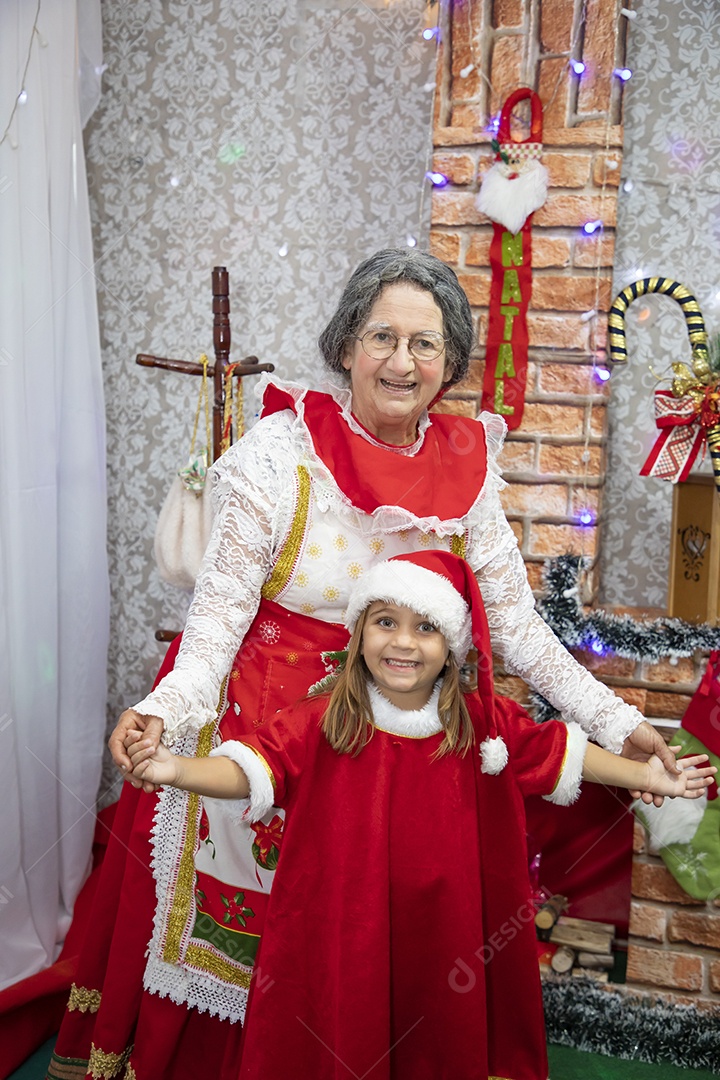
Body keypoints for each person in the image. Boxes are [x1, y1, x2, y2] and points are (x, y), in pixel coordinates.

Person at [48, 250, 677, 1080]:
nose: (402, 362)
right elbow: (215, 624)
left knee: (381, 959)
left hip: (411, 766)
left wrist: (623, 725)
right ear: (346, 345)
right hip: (273, 746)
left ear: (450, 363)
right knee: (272, 965)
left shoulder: (469, 463)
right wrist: (167, 705)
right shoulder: (279, 453)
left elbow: (519, 630)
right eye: (383, 336)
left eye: (425, 344)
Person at [124, 551, 715, 1080]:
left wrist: (646, 775)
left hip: (444, 935)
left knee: (434, 1032)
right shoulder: (325, 718)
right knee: (339, 1029)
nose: (402, 643)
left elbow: (563, 754)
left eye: (425, 628)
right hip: (342, 929)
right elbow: (250, 768)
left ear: (451, 645)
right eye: (386, 623)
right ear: (358, 634)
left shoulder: (484, 725)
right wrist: (175, 771)